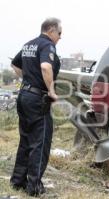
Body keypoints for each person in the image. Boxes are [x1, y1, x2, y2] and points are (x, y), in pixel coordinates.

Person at [10, 17, 62, 196]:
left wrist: (28, 79)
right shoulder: (47, 45)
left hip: (24, 96)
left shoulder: (28, 44)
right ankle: (34, 187)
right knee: (40, 142)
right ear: (51, 30)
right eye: (59, 33)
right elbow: (46, 67)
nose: (60, 37)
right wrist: (51, 91)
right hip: (37, 99)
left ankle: (17, 181)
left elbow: (15, 64)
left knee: (25, 140)